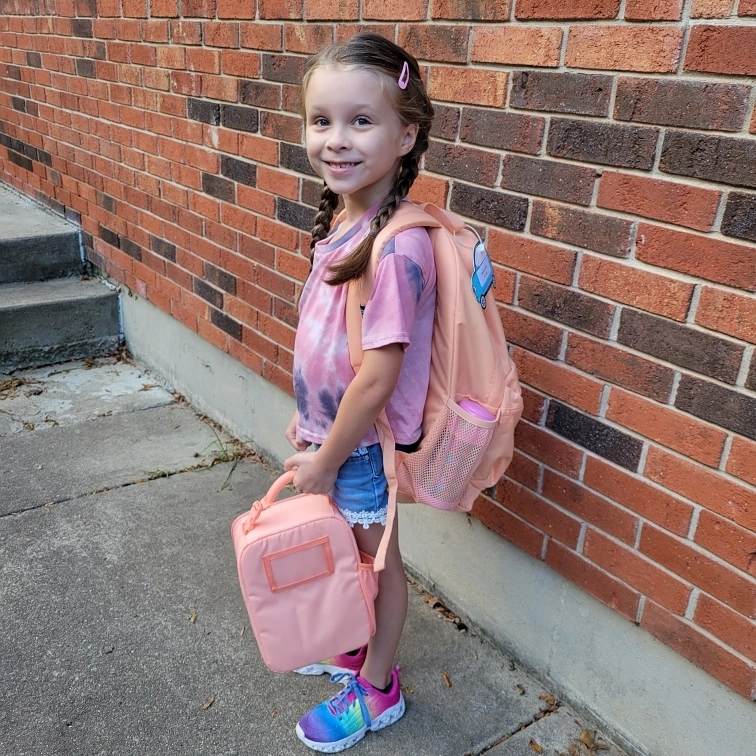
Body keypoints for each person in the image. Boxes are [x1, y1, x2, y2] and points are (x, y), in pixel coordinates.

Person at [282, 32, 436, 753]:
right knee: (347, 557)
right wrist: (309, 422)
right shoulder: (345, 220)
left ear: (407, 134)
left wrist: (326, 457)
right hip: (330, 436)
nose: (336, 140)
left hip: (360, 450)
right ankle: (357, 651)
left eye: (361, 121)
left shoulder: (397, 244)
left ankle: (379, 688)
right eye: (322, 121)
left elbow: (376, 378)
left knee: (379, 565)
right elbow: (331, 344)